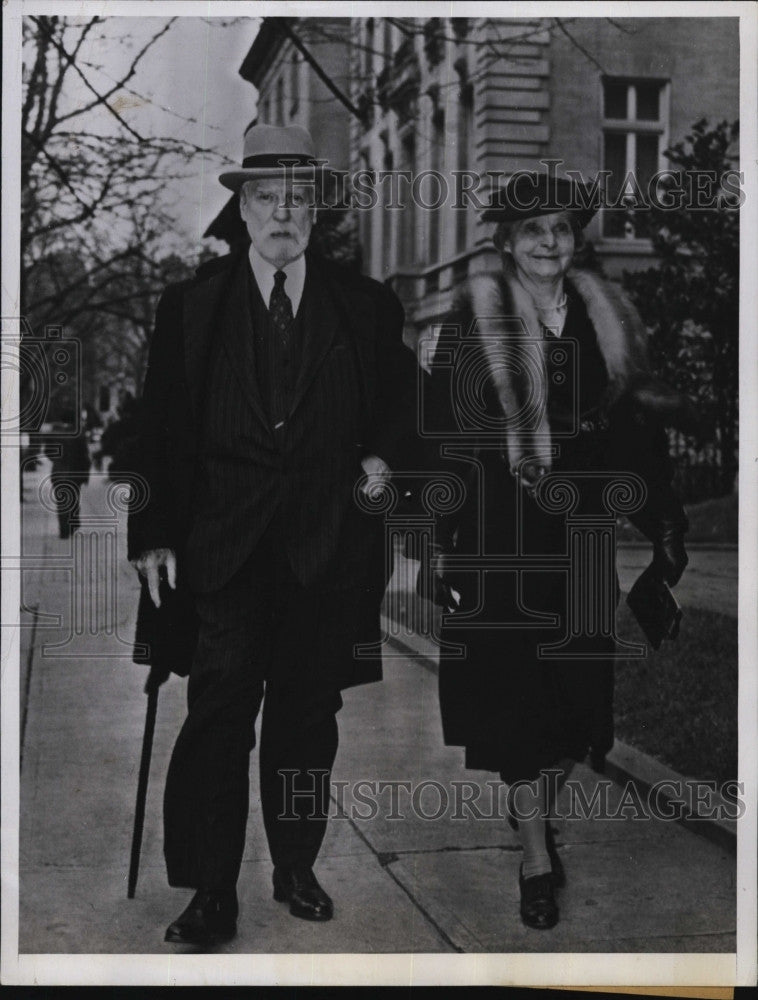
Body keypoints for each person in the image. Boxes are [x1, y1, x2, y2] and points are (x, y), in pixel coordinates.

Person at [127, 123, 416, 946]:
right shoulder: (193, 306)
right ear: (242, 208)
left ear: (316, 209)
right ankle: (212, 890)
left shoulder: (365, 306)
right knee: (218, 714)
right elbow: (158, 429)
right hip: (224, 549)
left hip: (325, 550)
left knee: (305, 718)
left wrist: (385, 458)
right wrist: (150, 531)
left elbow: (405, 405)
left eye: (298, 196)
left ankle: (295, 866)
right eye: (266, 196)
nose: (283, 211)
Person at [419, 172, 692, 931]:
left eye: (563, 229)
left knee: (578, 706)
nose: (550, 241)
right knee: (514, 703)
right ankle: (536, 850)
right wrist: (443, 544)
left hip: (578, 534)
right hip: (497, 537)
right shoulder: (473, 322)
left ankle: (536, 804)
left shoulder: (603, 322)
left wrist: (663, 521)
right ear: (506, 242)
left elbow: (636, 427)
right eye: (534, 229)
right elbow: (445, 441)